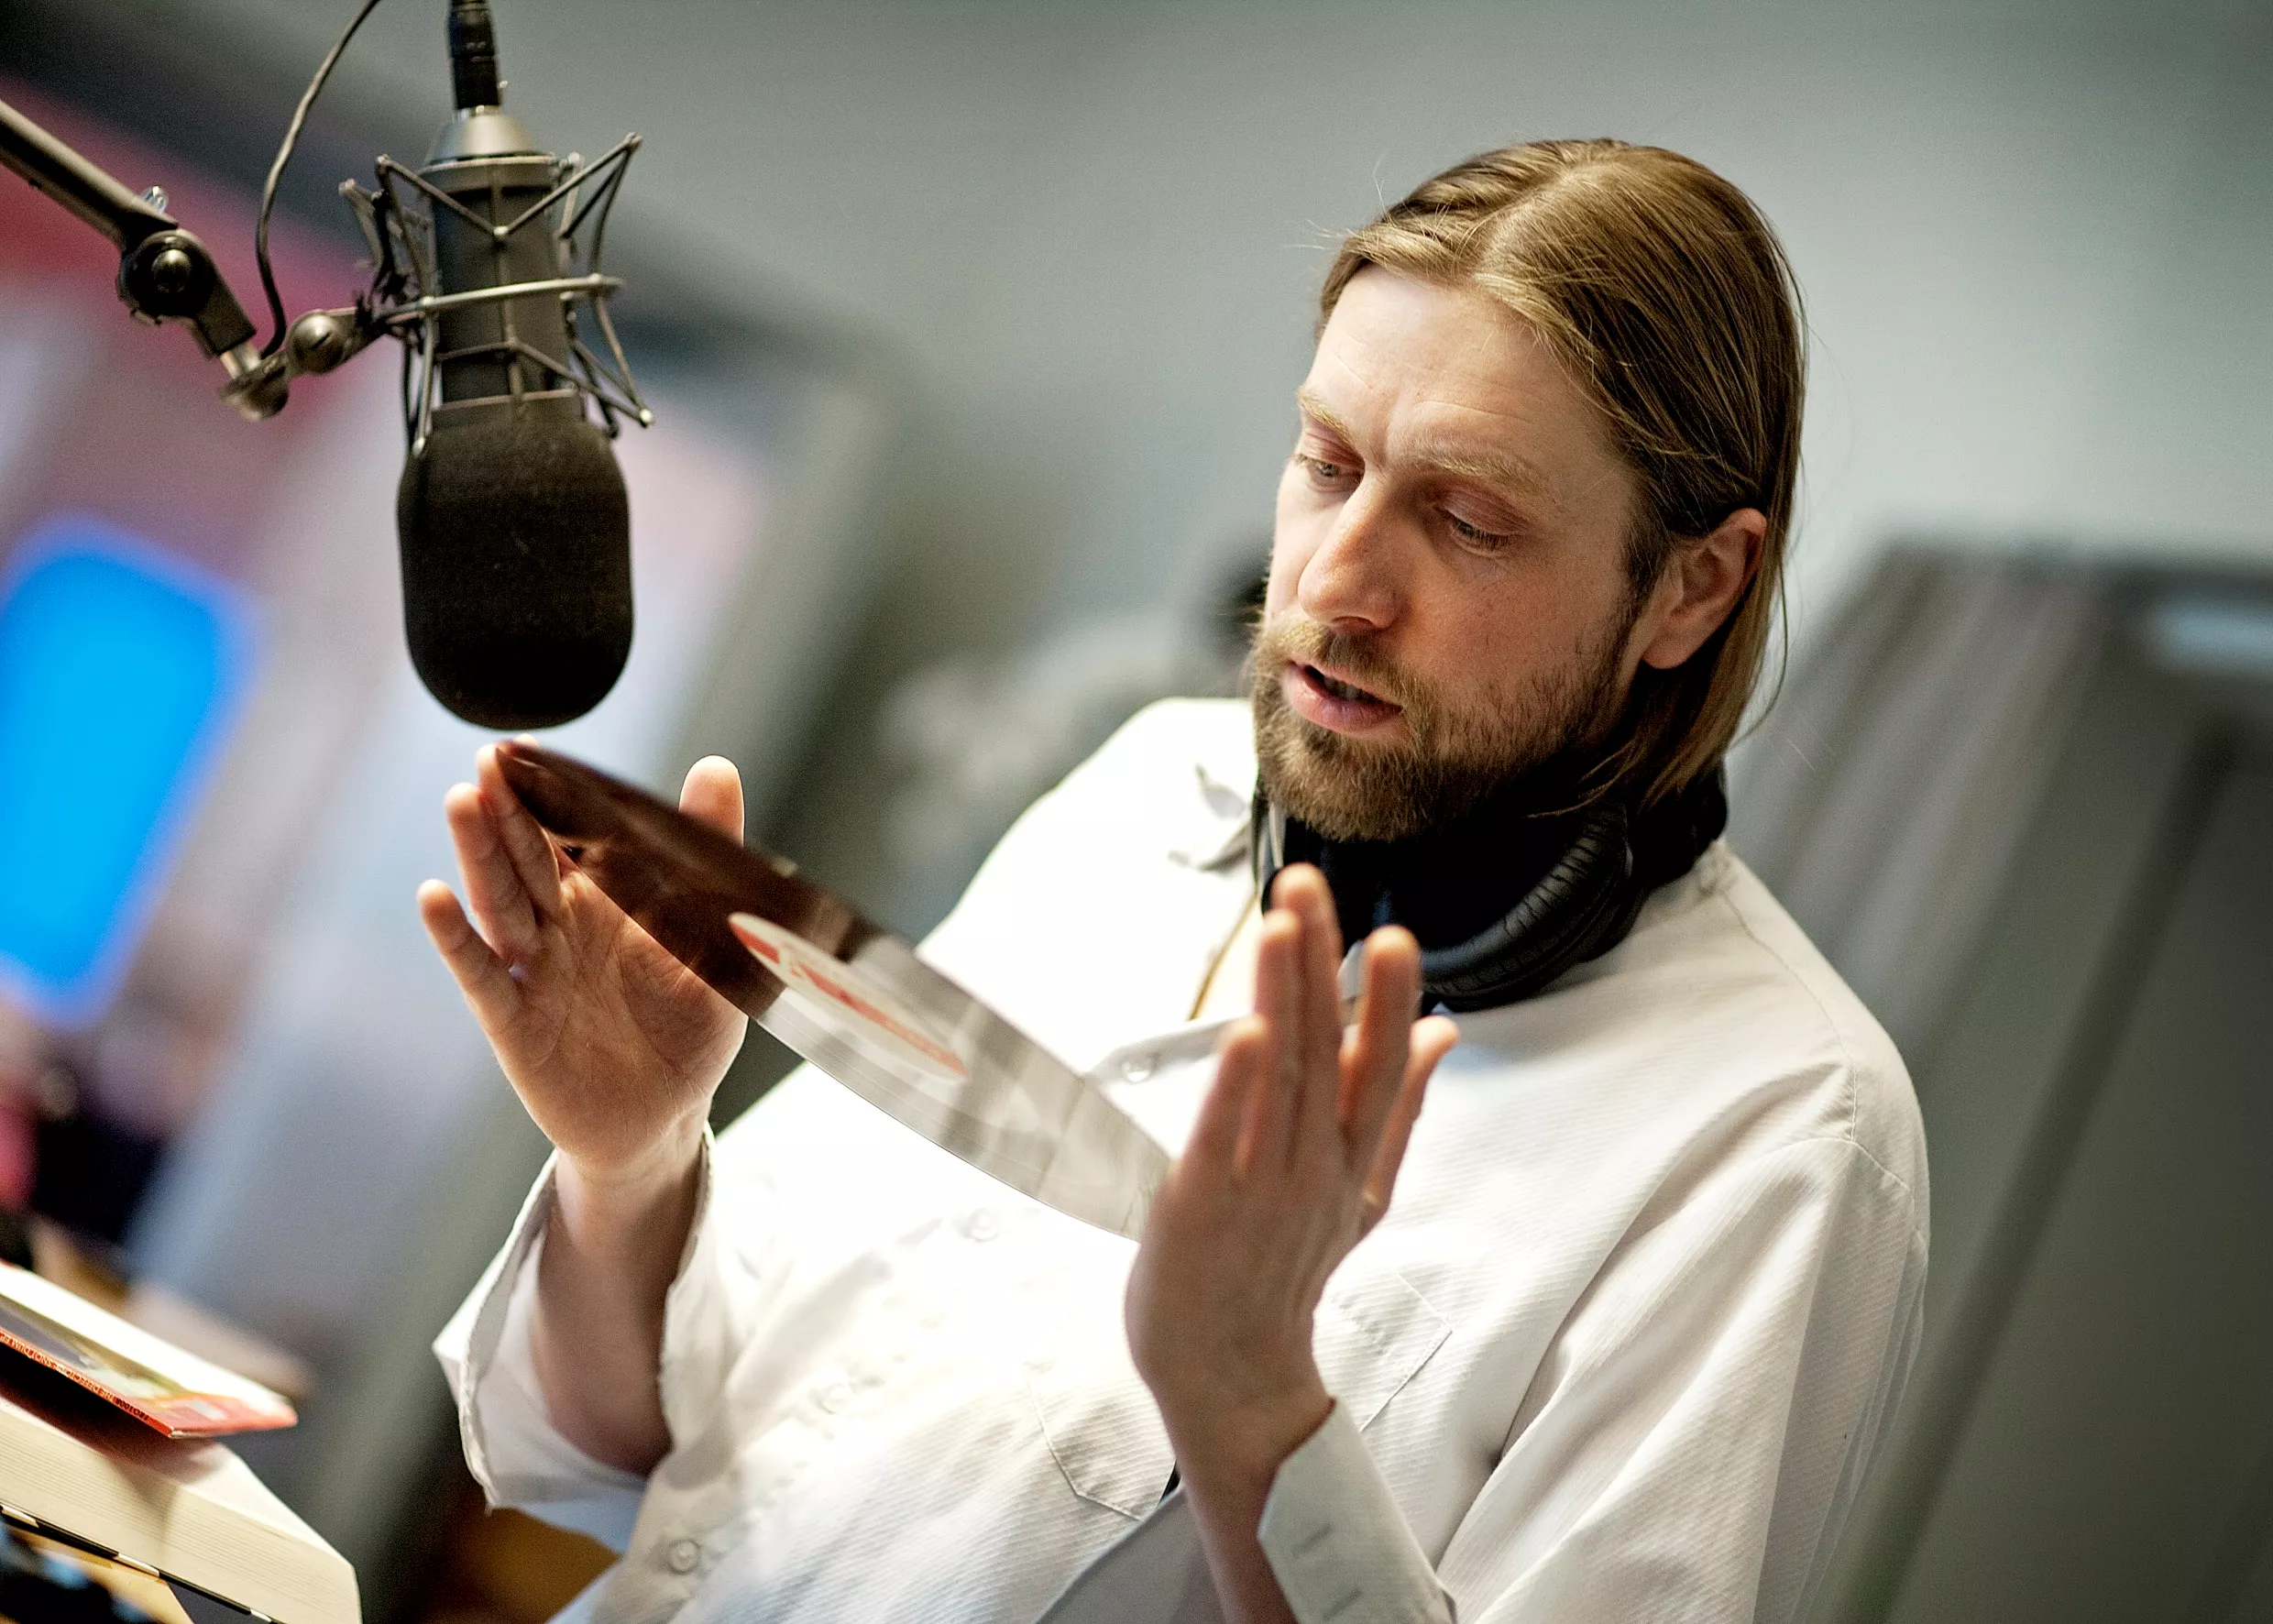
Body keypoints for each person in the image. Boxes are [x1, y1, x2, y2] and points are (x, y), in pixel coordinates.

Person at [424, 140, 1927, 1624]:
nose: (1334, 581)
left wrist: (1255, 1408)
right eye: (1327, 463)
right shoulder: (1149, 786)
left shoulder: (1781, 1126)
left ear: (1692, 588)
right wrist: (631, 1160)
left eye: (1469, 521)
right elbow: (626, 1461)